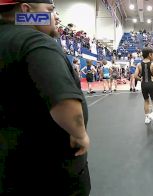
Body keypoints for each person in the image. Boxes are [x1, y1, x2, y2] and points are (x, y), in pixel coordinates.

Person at [0, 1, 91, 195]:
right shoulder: (34, 42)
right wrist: (79, 133)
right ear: (26, 11)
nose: (56, 16)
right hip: (50, 173)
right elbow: (64, 100)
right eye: (49, 10)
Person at [134, 47, 153, 126]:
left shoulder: (139, 64)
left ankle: (147, 118)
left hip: (143, 85)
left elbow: (135, 76)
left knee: (146, 101)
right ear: (150, 55)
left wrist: (141, 80)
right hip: (151, 84)